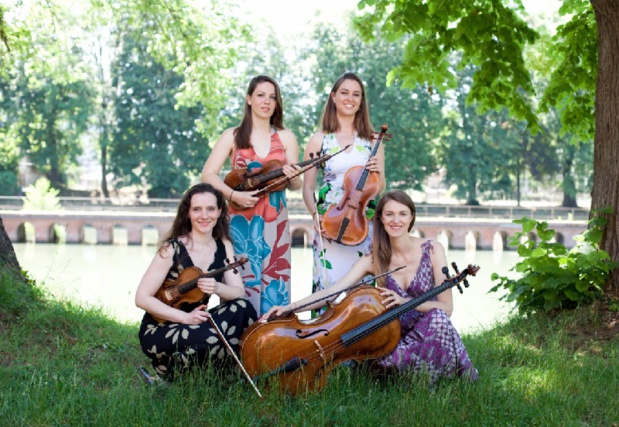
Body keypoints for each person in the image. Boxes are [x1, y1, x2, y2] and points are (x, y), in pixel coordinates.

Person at [262, 190, 478, 384]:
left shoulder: (433, 249)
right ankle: (418, 376)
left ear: (411, 217)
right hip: (392, 341)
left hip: (430, 330)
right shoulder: (373, 260)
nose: (396, 220)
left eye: (402, 214)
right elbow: (333, 291)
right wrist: (290, 308)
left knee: (439, 320)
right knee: (382, 359)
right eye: (389, 214)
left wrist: (405, 302)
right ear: (381, 219)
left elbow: (447, 309)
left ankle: (423, 384)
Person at [135, 183, 257, 382]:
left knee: (243, 308)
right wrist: (185, 318)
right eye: (197, 209)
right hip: (160, 329)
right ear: (188, 213)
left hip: (198, 324)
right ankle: (176, 371)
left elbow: (238, 292)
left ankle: (186, 367)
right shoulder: (172, 248)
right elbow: (141, 298)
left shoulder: (224, 245)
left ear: (219, 212)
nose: (204, 215)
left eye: (210, 209)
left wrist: (217, 287)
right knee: (212, 337)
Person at [202, 75, 301, 317]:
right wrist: (233, 194)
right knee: (241, 280)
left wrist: (292, 176)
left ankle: (271, 342)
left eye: (272, 97)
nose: (266, 101)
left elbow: (297, 185)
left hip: (276, 222)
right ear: (249, 99)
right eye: (260, 95)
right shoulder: (232, 136)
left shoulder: (286, 137)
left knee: (275, 281)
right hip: (240, 221)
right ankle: (236, 342)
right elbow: (208, 174)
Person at [302, 72, 385, 298]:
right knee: (328, 286)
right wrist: (315, 216)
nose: (350, 98)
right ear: (333, 97)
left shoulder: (373, 140)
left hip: (362, 223)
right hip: (329, 221)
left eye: (356, 94)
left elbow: (380, 186)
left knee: (361, 289)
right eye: (345, 92)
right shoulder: (319, 140)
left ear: (361, 102)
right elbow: (307, 188)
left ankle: (363, 333)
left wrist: (377, 170)